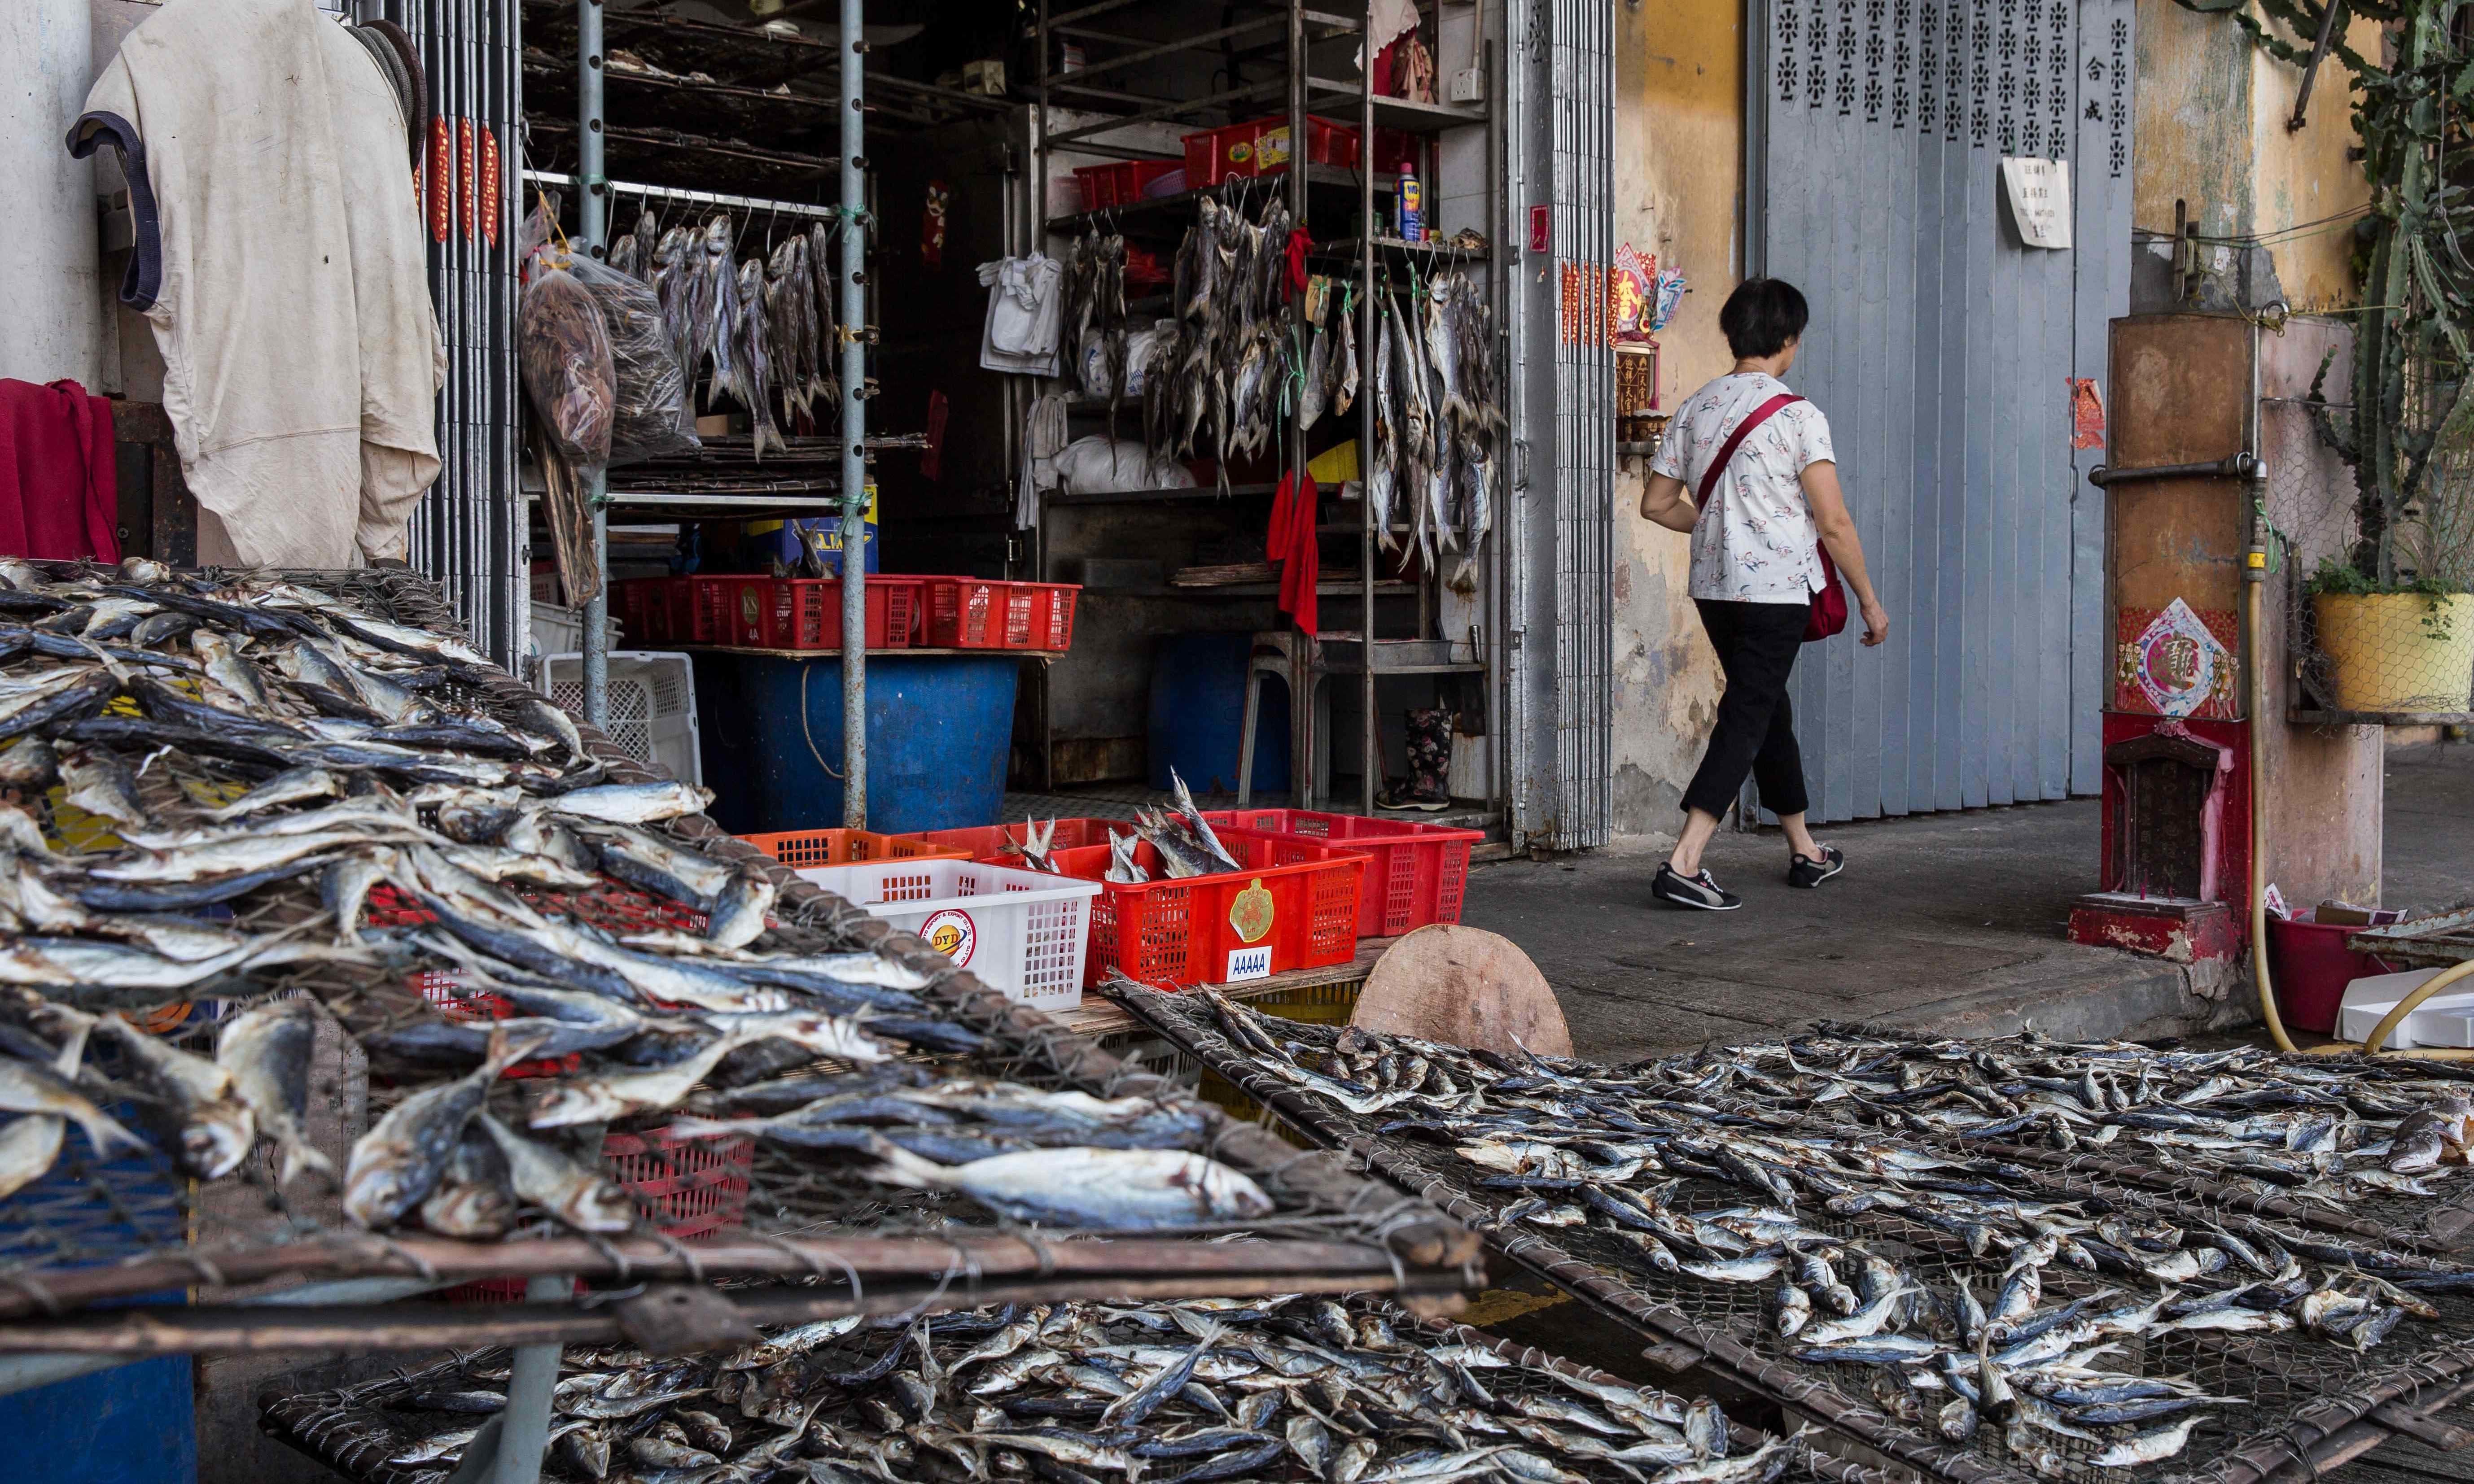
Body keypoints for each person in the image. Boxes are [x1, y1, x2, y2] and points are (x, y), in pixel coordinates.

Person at [1635, 278, 1888, 912]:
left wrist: (1718, 530)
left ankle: (1804, 851)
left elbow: (1656, 504)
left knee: (1766, 706)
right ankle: (1685, 861)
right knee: (1748, 713)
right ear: (1788, 340)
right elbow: (1833, 522)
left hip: (1716, 589)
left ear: (1732, 335)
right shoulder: (1798, 415)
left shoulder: (1695, 408)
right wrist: (1868, 600)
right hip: (1775, 592)